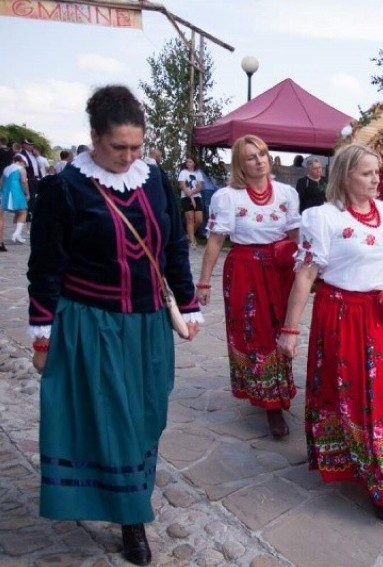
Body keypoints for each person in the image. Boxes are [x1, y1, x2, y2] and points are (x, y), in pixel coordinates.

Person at [26, 85, 202, 566]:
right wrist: (42, 331)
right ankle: (132, 520)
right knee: (114, 421)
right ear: (93, 138)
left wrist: (187, 305)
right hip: (91, 323)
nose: (127, 157)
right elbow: (45, 265)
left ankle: (127, 496)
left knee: (147, 418)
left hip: (147, 326)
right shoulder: (65, 188)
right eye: (117, 147)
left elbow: (172, 250)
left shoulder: (155, 180)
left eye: (135, 148)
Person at [279, 144, 383, 525]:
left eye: (377, 172)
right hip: (341, 315)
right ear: (344, 176)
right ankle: (381, 480)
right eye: (366, 173)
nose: (376, 179)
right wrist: (290, 330)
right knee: (353, 394)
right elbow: (306, 275)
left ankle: (376, 467)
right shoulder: (321, 218)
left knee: (381, 396)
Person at [196, 134, 301, 438]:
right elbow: (216, 240)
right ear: (241, 163)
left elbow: (295, 236)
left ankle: (277, 390)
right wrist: (204, 282)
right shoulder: (228, 197)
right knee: (255, 332)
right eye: (251, 157)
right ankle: (270, 404)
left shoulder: (286, 193)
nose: (259, 161)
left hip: (279, 268)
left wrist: (308, 270)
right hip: (244, 268)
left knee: (282, 329)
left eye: (263, 154)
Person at [1, 154, 30, 248]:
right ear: (22, 162)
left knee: (18, 212)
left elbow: (1, 181)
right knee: (23, 211)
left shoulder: (6, 169)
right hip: (16, 191)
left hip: (6, 191)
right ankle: (17, 233)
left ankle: (18, 233)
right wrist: (27, 193)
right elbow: (24, 181)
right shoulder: (21, 169)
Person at [177, 156, 204, 248]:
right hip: (185, 197)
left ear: (194, 163)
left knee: (199, 219)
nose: (188, 163)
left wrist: (192, 193)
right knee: (190, 219)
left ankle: (189, 234)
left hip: (196, 196)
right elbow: (182, 186)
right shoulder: (183, 172)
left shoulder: (198, 173)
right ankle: (192, 241)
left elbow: (200, 186)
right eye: (187, 162)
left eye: (190, 162)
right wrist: (190, 196)